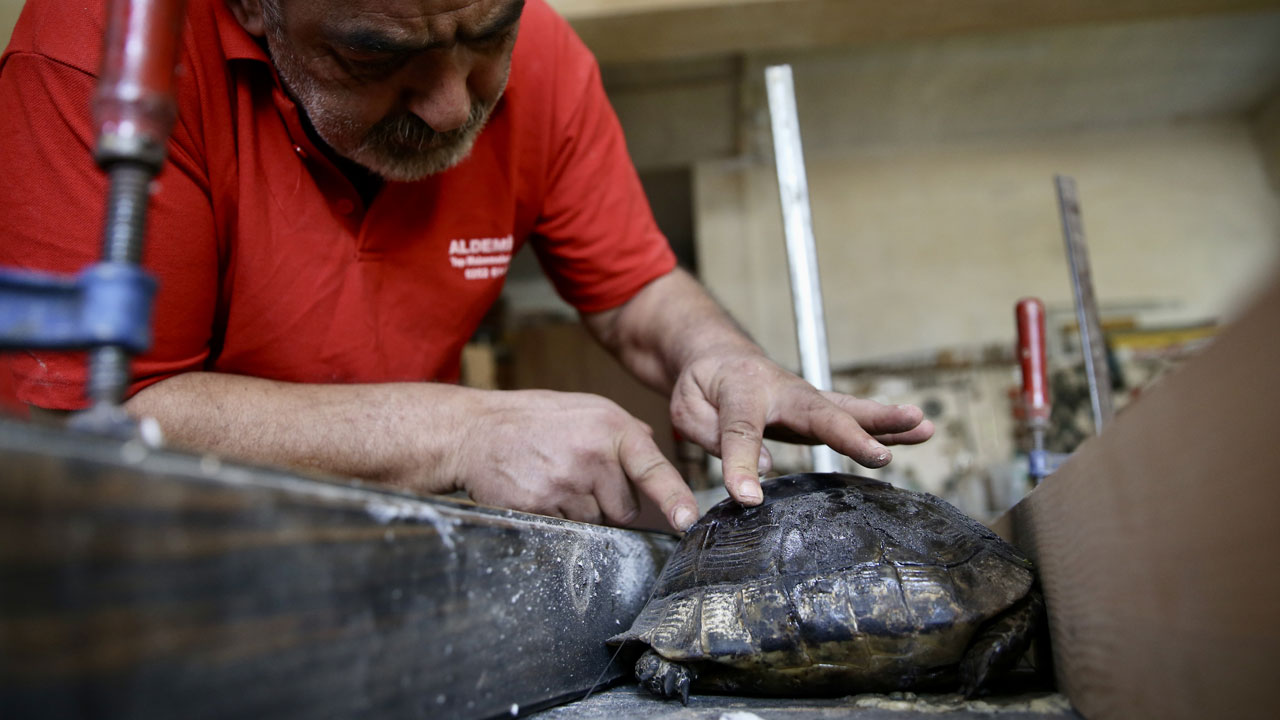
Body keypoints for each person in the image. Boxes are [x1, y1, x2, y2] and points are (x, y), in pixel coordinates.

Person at [0, 0, 933, 532]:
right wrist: (460, 433)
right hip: (165, 567)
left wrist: (722, 355)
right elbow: (93, 417)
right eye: (378, 55)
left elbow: (637, 288)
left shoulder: (550, 66)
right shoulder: (95, 59)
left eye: (488, 35)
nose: (452, 106)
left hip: (408, 547)